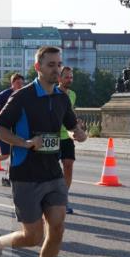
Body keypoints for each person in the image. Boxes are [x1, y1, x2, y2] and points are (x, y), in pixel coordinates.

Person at [0, 46, 87, 257]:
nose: (57, 69)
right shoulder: (23, 97)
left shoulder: (62, 98)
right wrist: (26, 142)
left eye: (59, 64)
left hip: (52, 174)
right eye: (51, 64)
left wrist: (79, 133)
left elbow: (72, 125)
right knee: (32, 237)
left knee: (58, 228)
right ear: (38, 67)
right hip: (26, 174)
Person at [0, 73, 25, 188]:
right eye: (18, 83)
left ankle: (8, 177)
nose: (20, 85)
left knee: (15, 152)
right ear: (12, 83)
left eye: (22, 83)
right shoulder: (5, 94)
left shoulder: (24, 94)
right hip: (4, 128)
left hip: (18, 128)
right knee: (5, 155)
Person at [57, 67, 79, 214]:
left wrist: (77, 125)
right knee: (52, 170)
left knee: (68, 166)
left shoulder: (72, 94)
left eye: (71, 77)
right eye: (67, 77)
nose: (69, 80)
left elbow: (71, 112)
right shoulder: (53, 93)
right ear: (59, 78)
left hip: (67, 136)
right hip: (52, 136)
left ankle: (64, 198)